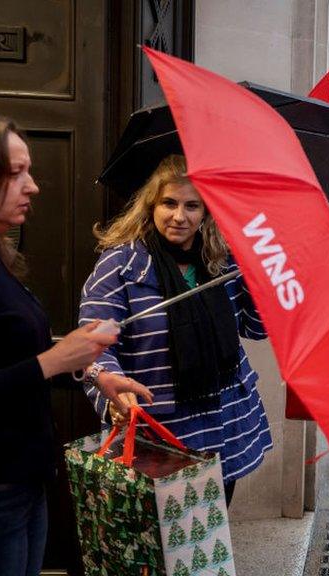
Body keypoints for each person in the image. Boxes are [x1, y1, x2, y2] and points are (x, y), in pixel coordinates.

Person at [0, 115, 151, 576]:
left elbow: (18, 354)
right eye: (16, 172)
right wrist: (53, 361)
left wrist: (93, 372)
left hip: (25, 479)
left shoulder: (2, 256)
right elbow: (32, 365)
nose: (33, 186)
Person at [78, 154, 272, 505]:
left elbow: (256, 328)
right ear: (152, 204)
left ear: (206, 212)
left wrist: (260, 273)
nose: (179, 216)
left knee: (207, 543)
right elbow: (95, 342)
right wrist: (113, 391)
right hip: (161, 433)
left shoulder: (222, 260)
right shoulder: (122, 264)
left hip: (223, 424)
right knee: (156, 550)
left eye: (192, 206)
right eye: (169, 202)